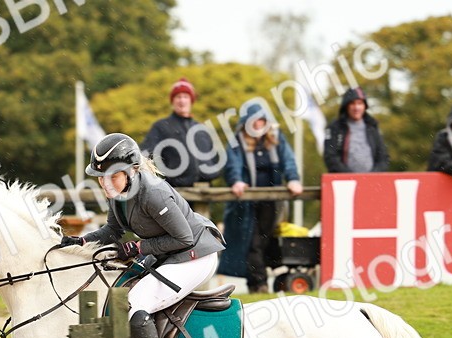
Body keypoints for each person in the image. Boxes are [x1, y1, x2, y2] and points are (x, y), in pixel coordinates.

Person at [60, 133, 224, 338]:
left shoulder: (154, 193)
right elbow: (111, 231)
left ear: (132, 170)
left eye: (112, 176)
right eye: (100, 178)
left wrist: (137, 247)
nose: (105, 183)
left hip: (195, 255)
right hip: (166, 251)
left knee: (136, 303)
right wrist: (82, 241)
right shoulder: (118, 193)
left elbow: (184, 239)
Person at [218, 102, 303, 293]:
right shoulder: (237, 141)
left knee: (263, 241)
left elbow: (288, 161)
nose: (258, 125)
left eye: (261, 120)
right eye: (254, 121)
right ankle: (260, 284)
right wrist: (236, 181)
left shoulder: (275, 139)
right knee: (252, 241)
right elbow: (233, 165)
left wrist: (293, 179)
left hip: (270, 202)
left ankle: (255, 283)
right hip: (245, 203)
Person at [140, 78, 222, 189]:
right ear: (173, 101)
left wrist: (212, 173)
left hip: (205, 191)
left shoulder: (201, 129)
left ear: (191, 100)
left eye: (185, 97)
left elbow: (215, 157)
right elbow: (145, 155)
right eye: (178, 97)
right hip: (176, 191)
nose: (182, 101)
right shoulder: (161, 126)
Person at [323, 87, 390, 173]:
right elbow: (331, 157)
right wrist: (352, 177)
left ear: (364, 106)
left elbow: (383, 157)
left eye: (360, 103)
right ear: (346, 106)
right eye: (352, 104)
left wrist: (373, 176)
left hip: (372, 183)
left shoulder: (372, 127)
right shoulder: (335, 127)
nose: (356, 108)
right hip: (344, 183)